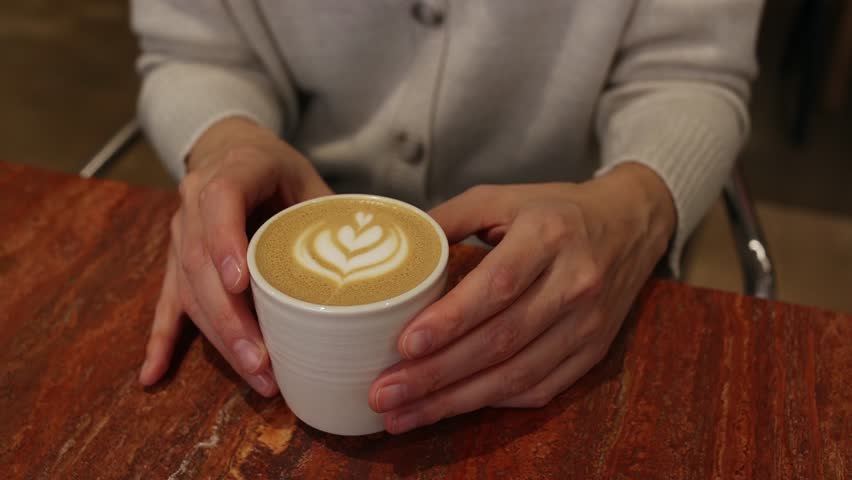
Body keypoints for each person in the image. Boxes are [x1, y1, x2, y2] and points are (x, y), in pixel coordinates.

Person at [132, 1, 762, 434]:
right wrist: (221, 142)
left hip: (567, 269)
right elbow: (190, 47)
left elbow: (691, 69)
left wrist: (638, 208)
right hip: (282, 226)